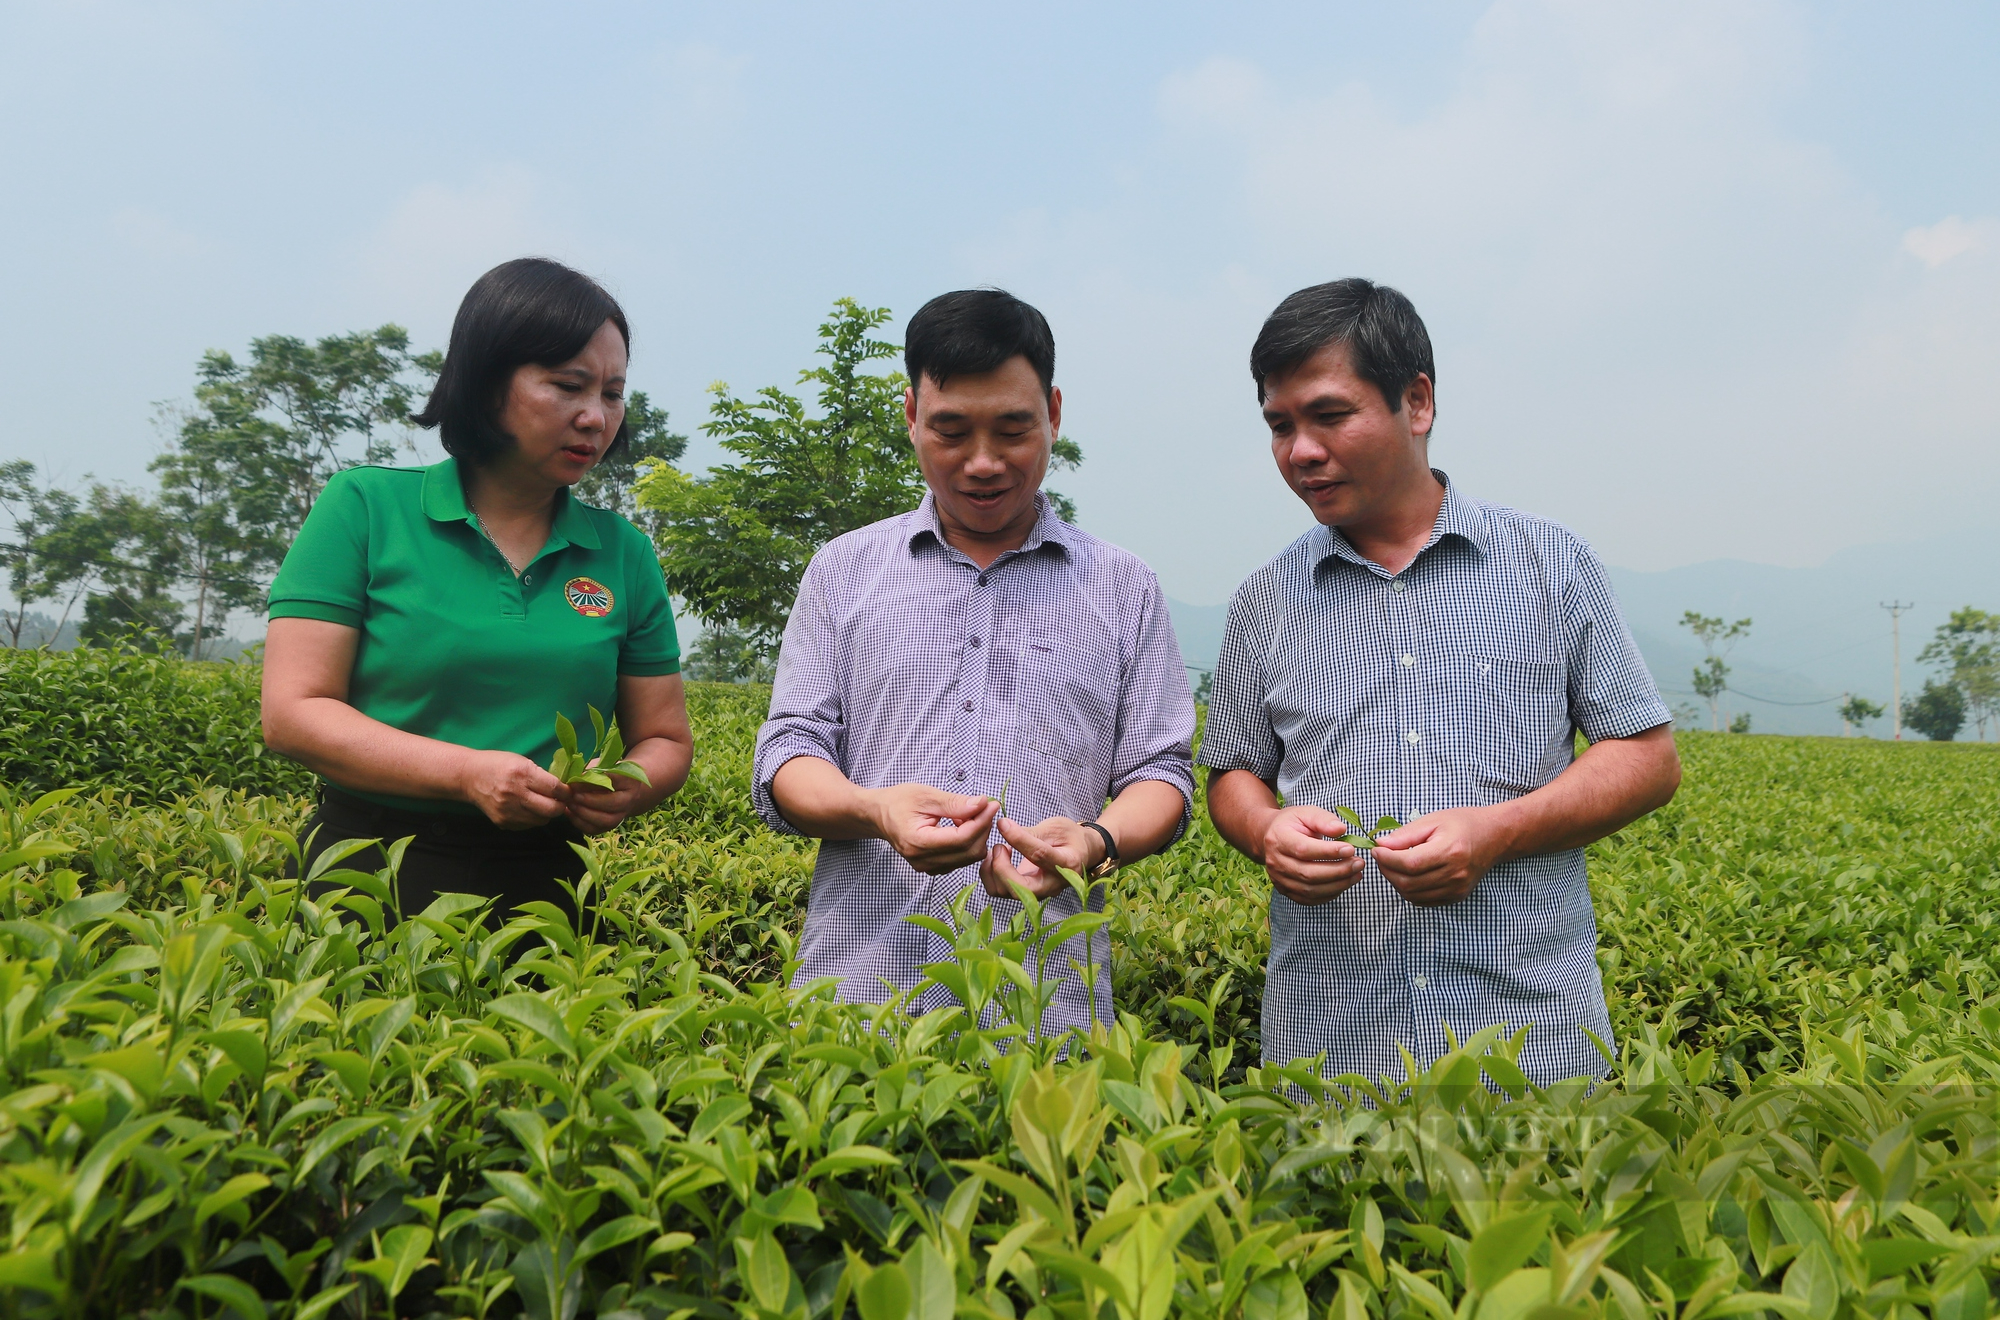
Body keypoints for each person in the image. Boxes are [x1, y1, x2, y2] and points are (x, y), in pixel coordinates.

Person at [1199, 279, 1680, 1087]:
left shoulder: (1549, 563)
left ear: (1416, 402)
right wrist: (1264, 830)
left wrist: (1499, 830)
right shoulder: (1264, 599)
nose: (1300, 451)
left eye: (1329, 415)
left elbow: (1646, 757)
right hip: (1329, 1054)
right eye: (1279, 426)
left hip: (1532, 1046)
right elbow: (1234, 774)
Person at [753, 288, 1195, 1031]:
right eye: (951, 430)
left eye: (1013, 429)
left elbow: (1162, 773)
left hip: (1045, 1016)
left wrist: (1096, 841)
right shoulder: (843, 570)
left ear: (1053, 414)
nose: (983, 462)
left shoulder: (1125, 587)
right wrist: (875, 809)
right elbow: (788, 753)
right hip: (857, 1011)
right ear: (911, 417)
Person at [261, 257, 693, 920]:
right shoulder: (367, 508)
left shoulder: (623, 553)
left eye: (611, 393)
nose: (594, 417)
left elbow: (664, 738)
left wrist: (627, 789)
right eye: (568, 385)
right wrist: (465, 772)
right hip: (364, 873)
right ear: (488, 382)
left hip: (547, 888)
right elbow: (293, 712)